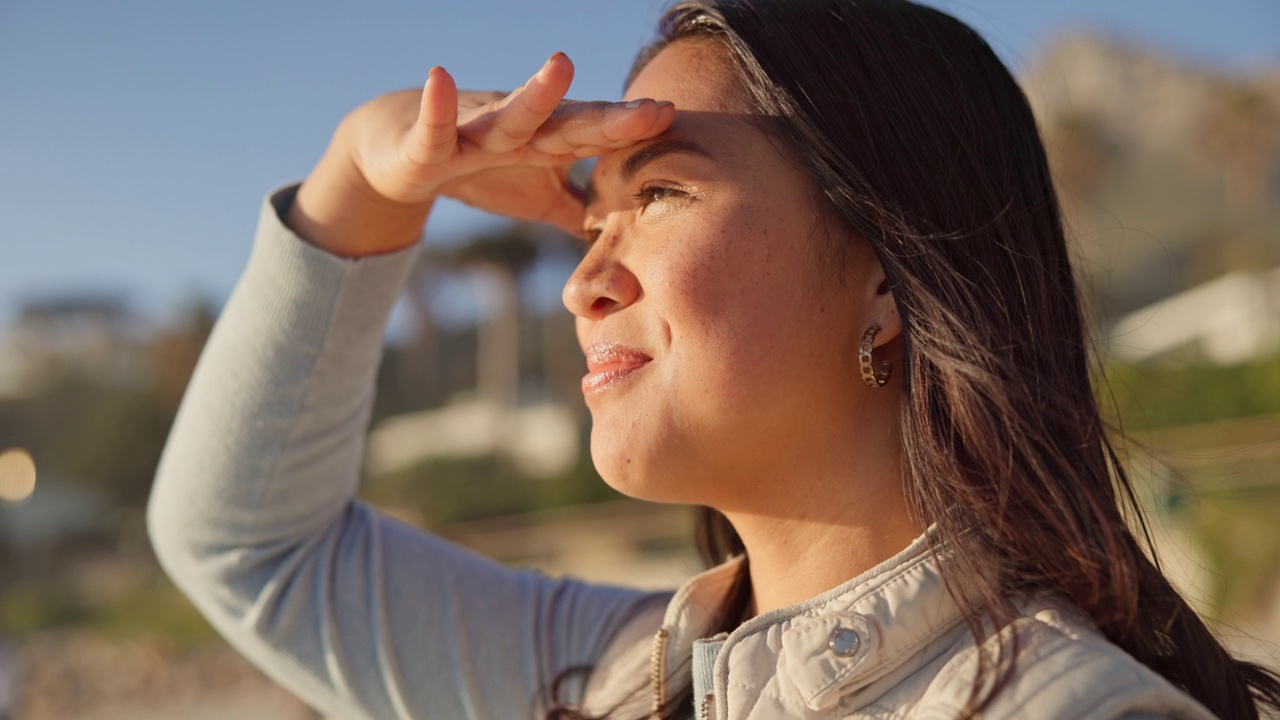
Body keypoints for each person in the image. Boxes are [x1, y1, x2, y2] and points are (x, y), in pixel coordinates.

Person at [147, 1, 1280, 718]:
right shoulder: (612, 675)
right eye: (591, 222)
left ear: (885, 274)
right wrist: (362, 179)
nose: (580, 283)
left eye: (661, 194)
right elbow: (250, 548)